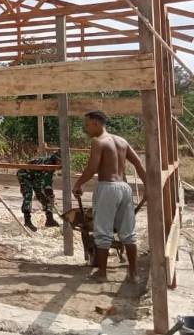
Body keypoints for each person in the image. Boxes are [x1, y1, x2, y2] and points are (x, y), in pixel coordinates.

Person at [73, 111, 147, 283]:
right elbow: (138, 163)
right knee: (128, 233)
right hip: (124, 188)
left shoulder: (98, 142)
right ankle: (134, 274)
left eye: (87, 124)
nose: (86, 129)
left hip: (108, 188)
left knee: (103, 232)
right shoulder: (122, 141)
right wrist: (148, 186)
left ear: (96, 124)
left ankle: (102, 273)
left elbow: (92, 169)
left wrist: (78, 184)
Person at [17, 150, 62, 231]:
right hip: (25, 175)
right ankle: (27, 220)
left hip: (36, 177)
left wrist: (50, 195)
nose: (60, 164)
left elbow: (47, 181)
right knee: (28, 194)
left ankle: (49, 219)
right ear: (56, 159)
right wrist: (51, 194)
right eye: (60, 161)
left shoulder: (52, 165)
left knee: (42, 196)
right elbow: (47, 183)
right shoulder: (48, 164)